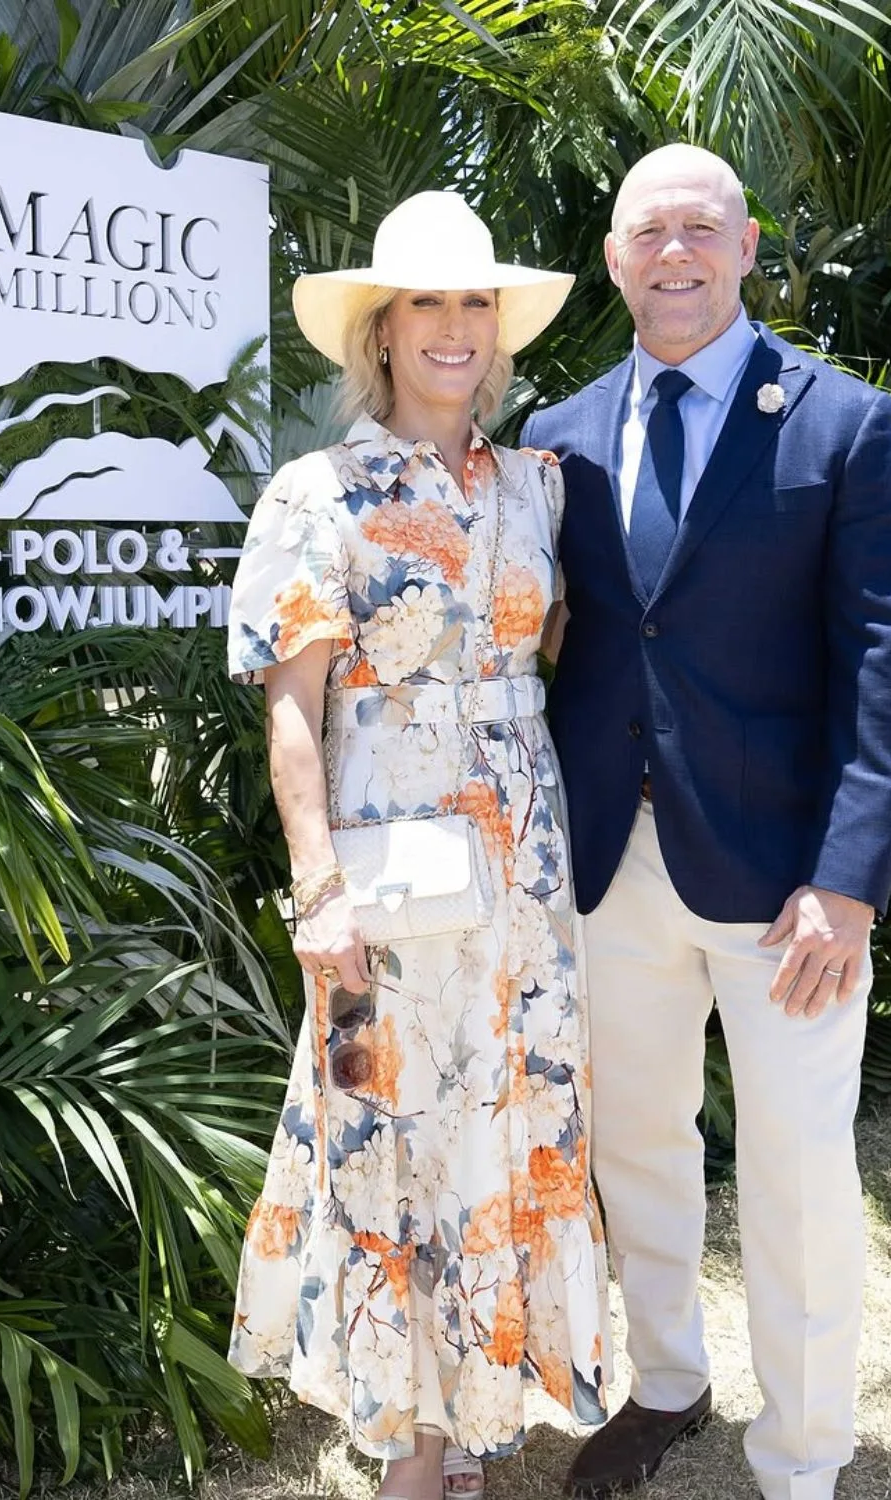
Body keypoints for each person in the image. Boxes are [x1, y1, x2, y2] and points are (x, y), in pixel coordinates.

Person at [226, 191, 610, 1500]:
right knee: (392, 1139)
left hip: (525, 881)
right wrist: (316, 887)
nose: (454, 328)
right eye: (426, 305)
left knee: (498, 1139)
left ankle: (471, 1436)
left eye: (474, 303)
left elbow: (578, 648)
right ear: (380, 334)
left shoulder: (537, 490)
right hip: (387, 880)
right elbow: (294, 709)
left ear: (496, 330)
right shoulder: (318, 493)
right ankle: (414, 1445)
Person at [521, 142, 891, 1500]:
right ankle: (667, 1381)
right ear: (614, 261)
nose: (671, 255)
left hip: (786, 883)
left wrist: (849, 878)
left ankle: (801, 1458)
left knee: (797, 1176)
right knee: (638, 1145)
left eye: (699, 230)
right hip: (609, 865)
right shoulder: (555, 441)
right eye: (645, 234)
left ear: (745, 248)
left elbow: (880, 655)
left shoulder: (844, 425)